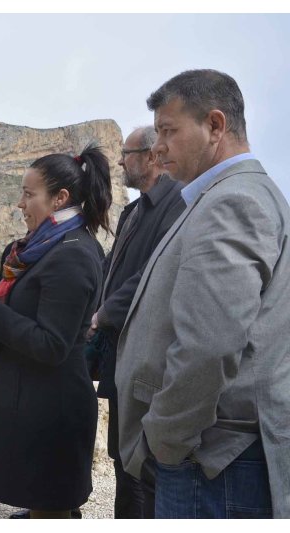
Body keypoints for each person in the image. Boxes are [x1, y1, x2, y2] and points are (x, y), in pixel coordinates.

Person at [116, 69, 290, 518]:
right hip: (215, 458)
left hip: (213, 463)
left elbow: (209, 345)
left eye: (168, 131)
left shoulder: (233, 201)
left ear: (215, 126)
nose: (158, 147)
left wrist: (167, 439)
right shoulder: (223, 197)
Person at [0, 144, 111, 518]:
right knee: (45, 504)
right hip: (37, 404)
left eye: (28, 194)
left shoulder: (73, 255)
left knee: (50, 505)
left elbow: (52, 344)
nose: (19, 203)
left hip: (53, 413)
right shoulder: (48, 247)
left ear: (60, 198)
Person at [84, 126, 185, 518]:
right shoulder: (134, 209)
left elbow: (150, 276)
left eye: (126, 154)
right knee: (122, 458)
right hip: (119, 356)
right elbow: (112, 273)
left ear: (151, 157)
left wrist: (101, 314)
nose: (121, 162)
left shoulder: (176, 204)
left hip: (147, 358)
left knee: (144, 466)